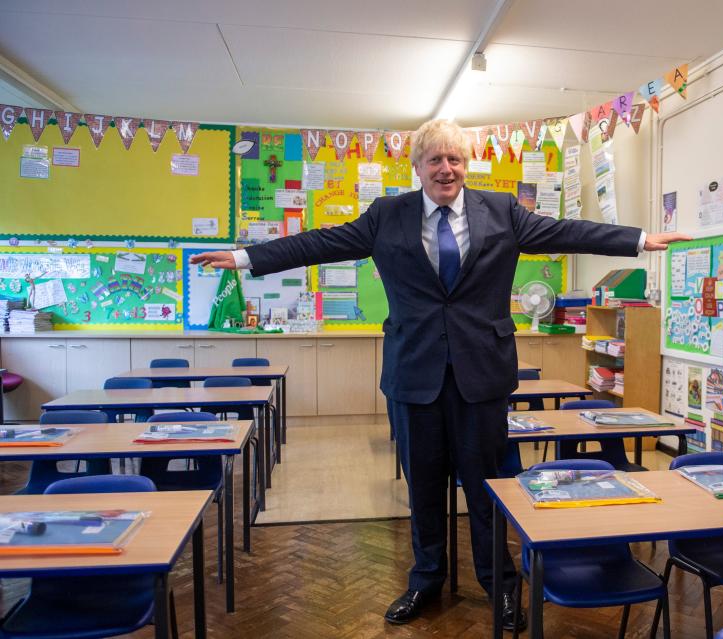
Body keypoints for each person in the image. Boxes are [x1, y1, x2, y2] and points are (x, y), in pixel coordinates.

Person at [191, 119, 690, 630]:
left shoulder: (500, 211)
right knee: (424, 486)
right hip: (415, 375)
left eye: (454, 159)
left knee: (488, 487)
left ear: (465, 165)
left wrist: (639, 239)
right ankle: (425, 579)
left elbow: (569, 231)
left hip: (483, 375)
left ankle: (500, 584)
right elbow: (320, 243)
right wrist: (244, 257)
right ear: (418, 167)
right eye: (435, 160)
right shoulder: (388, 215)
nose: (446, 169)